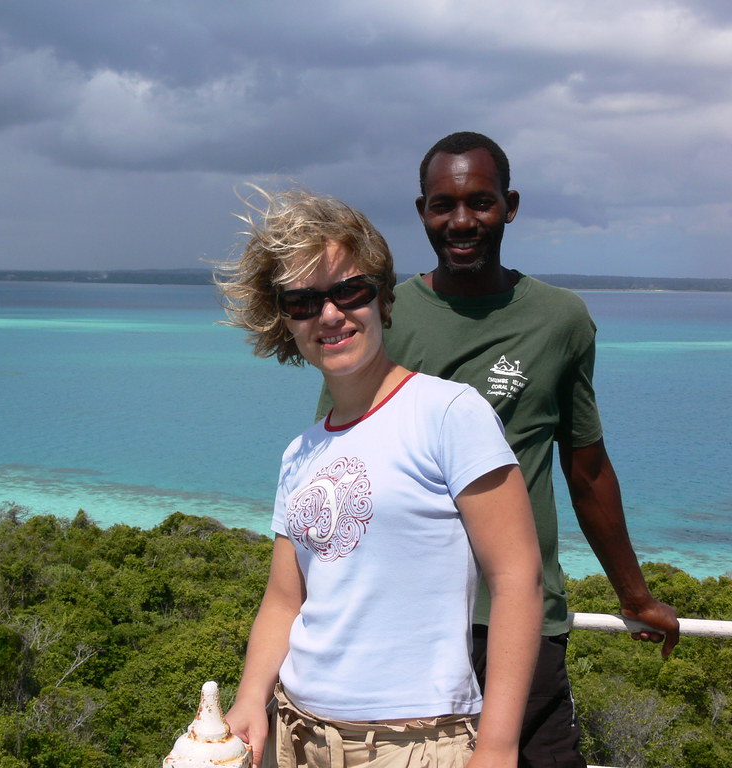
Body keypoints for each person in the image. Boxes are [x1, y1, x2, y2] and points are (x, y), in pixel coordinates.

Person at [317, 132, 680, 767]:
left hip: (520, 616)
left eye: (480, 202)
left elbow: (586, 469)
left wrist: (634, 594)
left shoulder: (560, 319)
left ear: (510, 206)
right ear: (422, 212)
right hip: (406, 619)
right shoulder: (383, 316)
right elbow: (337, 467)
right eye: (443, 205)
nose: (461, 221)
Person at [217, 187, 543, 768]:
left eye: (350, 290)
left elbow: (518, 578)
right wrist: (249, 699)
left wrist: (497, 745)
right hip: (296, 734)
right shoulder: (300, 452)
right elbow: (285, 600)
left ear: (383, 297)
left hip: (413, 742)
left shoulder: (448, 412)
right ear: (285, 321)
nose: (330, 314)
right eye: (303, 301)